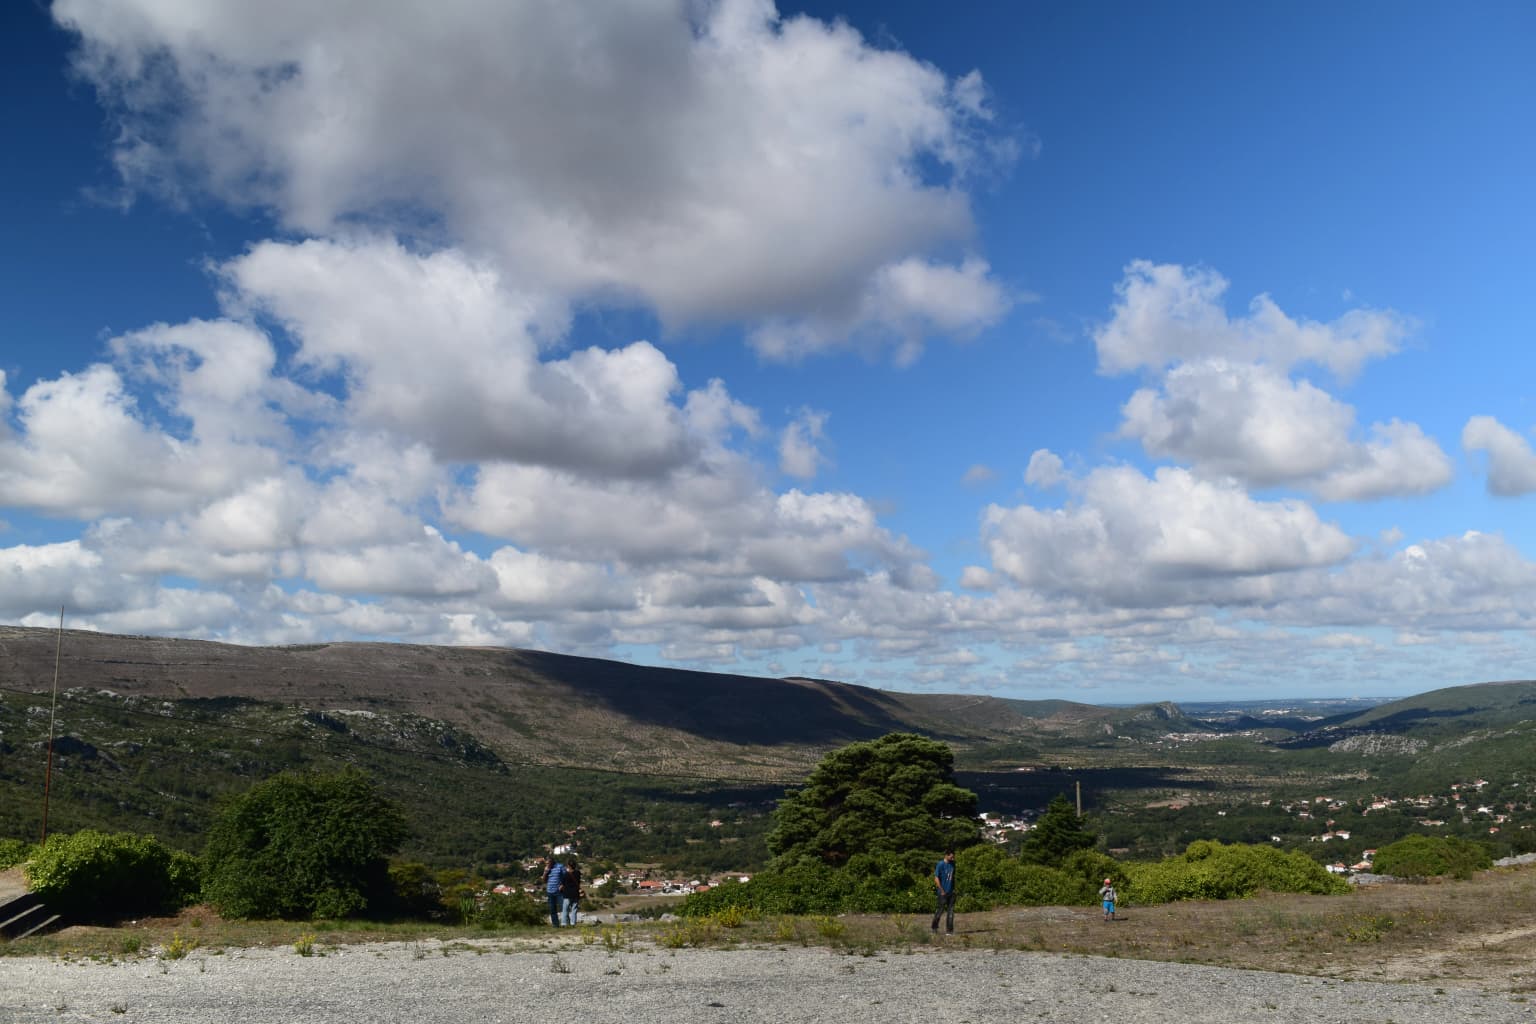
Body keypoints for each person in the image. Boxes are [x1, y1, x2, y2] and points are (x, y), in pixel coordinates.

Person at [931, 849, 957, 934]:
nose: (953, 858)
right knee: (940, 911)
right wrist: (942, 890)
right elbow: (936, 878)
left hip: (951, 892)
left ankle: (949, 931)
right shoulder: (940, 864)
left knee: (951, 912)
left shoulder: (953, 864)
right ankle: (934, 928)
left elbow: (953, 878)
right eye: (951, 857)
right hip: (942, 892)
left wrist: (954, 889)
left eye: (953, 857)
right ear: (946, 855)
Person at [540, 855, 566, 926]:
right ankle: (555, 925)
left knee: (564, 907)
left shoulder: (560, 866)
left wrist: (562, 885)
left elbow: (566, 877)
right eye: (546, 863)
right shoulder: (546, 869)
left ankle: (566, 923)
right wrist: (545, 872)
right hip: (550, 891)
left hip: (559, 891)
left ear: (552, 861)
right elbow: (544, 881)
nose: (547, 864)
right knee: (552, 910)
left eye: (548, 863)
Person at [559, 859, 583, 926]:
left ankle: (564, 923)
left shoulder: (566, 875)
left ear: (568, 866)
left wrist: (559, 890)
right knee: (574, 909)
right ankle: (573, 923)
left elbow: (562, 884)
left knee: (565, 910)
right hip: (575, 893)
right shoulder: (578, 873)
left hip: (567, 894)